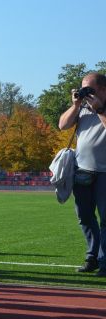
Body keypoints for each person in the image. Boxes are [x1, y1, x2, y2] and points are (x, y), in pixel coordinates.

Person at [58, 72, 106, 276]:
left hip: (105, 173)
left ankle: (104, 262)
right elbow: (62, 125)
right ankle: (92, 256)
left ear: (103, 90)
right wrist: (76, 105)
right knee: (84, 217)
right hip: (82, 171)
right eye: (83, 89)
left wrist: (100, 110)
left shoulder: (98, 107)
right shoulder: (83, 107)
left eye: (90, 89)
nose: (87, 93)